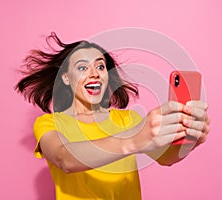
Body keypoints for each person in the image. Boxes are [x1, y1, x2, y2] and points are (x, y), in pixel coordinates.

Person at [15, 32, 210, 200]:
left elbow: (166, 158)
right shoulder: (50, 123)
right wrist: (134, 139)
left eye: (100, 67)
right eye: (83, 68)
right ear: (65, 78)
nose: (95, 74)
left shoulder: (127, 120)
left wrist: (189, 140)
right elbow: (64, 159)